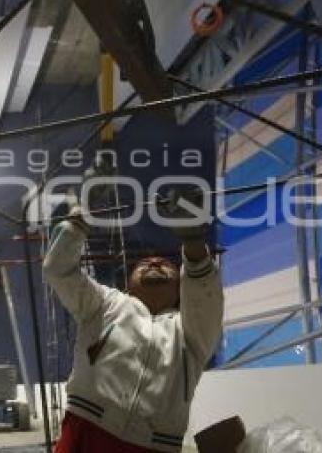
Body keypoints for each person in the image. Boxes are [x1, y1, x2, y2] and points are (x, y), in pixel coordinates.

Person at [42, 187, 223, 453]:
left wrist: (193, 241)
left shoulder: (191, 331)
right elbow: (58, 270)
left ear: (180, 288)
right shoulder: (104, 303)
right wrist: (80, 220)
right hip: (87, 428)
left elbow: (205, 295)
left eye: (164, 264)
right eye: (144, 264)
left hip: (155, 443)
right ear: (129, 285)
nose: (153, 264)